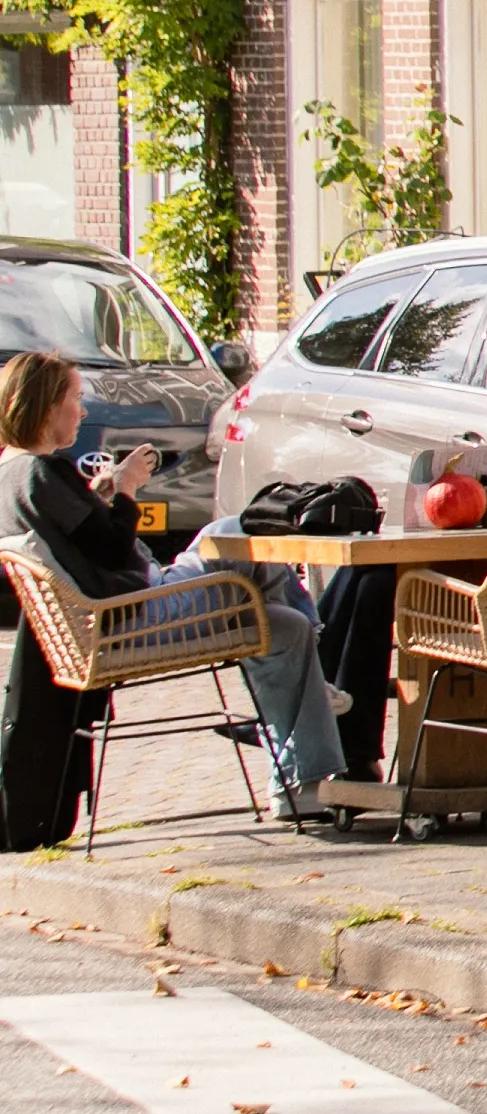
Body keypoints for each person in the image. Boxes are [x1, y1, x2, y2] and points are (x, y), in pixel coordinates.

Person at [0, 351, 342, 831]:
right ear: (43, 406)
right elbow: (114, 550)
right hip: (136, 613)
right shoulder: (41, 472)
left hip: (118, 612)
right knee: (237, 533)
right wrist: (127, 490)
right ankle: (321, 653)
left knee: (282, 629)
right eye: (74, 399)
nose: (81, 410)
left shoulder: (9, 475)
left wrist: (99, 496)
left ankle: (296, 788)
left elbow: (83, 543)